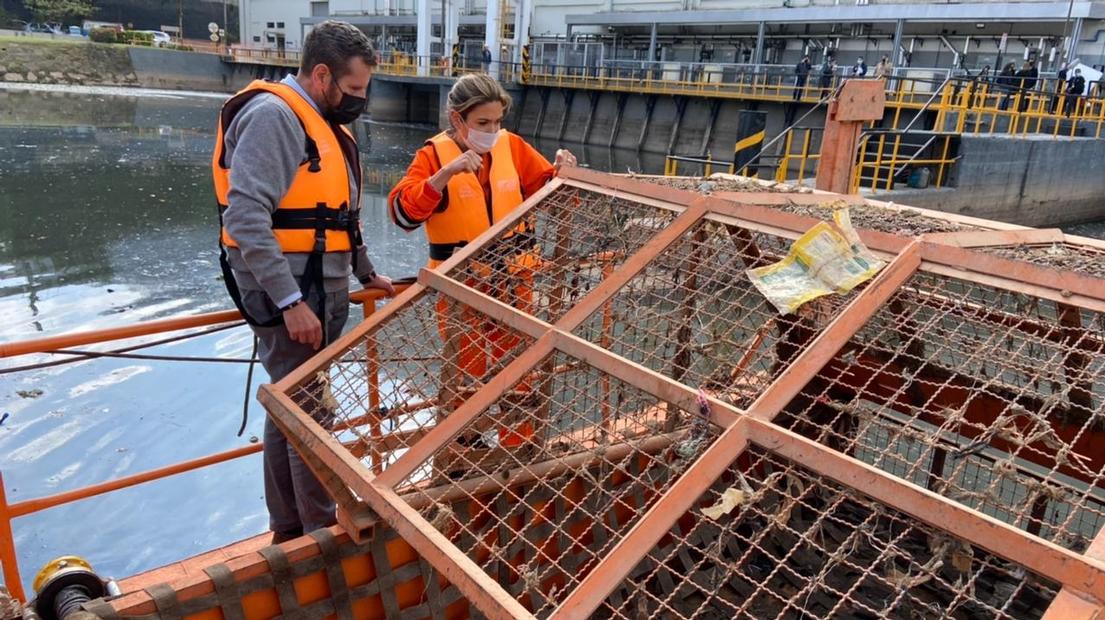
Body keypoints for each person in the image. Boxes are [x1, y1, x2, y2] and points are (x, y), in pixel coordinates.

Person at [213, 20, 395, 544]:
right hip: (292, 293)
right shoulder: (275, 117)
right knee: (309, 414)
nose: (362, 99)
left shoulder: (320, 122)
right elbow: (245, 216)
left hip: (319, 284)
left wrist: (364, 270)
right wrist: (289, 300)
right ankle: (319, 532)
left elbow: (336, 214)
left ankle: (289, 526)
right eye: (355, 88)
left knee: (291, 409)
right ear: (322, 75)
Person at [387, 73, 576, 442]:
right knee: (465, 375)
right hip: (461, 287)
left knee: (520, 371)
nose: (492, 130)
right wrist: (442, 176)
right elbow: (402, 214)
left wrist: (564, 172)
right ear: (457, 120)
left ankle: (517, 447)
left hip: (514, 283)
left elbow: (555, 194)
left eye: (497, 122)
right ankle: (464, 454)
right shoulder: (431, 156)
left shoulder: (513, 147)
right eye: (482, 123)